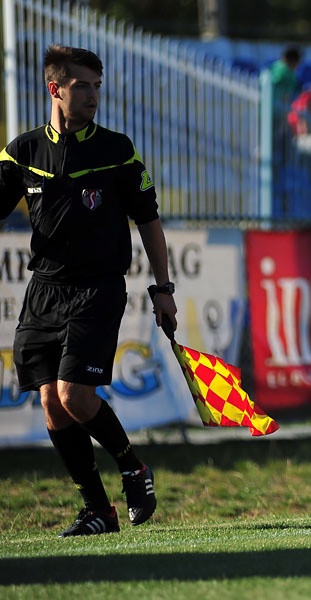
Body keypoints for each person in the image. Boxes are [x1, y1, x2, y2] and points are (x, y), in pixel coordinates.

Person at [0, 45, 178, 536]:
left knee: (75, 396)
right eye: (82, 86)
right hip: (44, 290)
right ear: (54, 88)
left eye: (97, 86)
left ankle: (132, 467)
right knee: (50, 404)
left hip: (98, 288)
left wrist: (163, 288)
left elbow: (148, 219)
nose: (93, 95)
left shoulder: (116, 148)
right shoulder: (22, 151)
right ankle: (98, 510)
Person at [268, 45, 302, 110]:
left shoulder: (274, 66)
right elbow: (287, 96)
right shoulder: (289, 75)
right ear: (295, 61)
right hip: (276, 108)